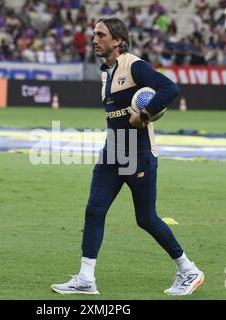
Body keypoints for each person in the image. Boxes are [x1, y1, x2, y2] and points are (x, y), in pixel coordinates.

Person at [51, 16, 204, 296]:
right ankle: (86, 278)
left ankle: (188, 270)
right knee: (94, 210)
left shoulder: (134, 65)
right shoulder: (105, 72)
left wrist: (145, 115)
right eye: (94, 34)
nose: (94, 39)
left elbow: (169, 88)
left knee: (146, 218)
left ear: (118, 40)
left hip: (138, 153)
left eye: (100, 35)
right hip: (112, 151)